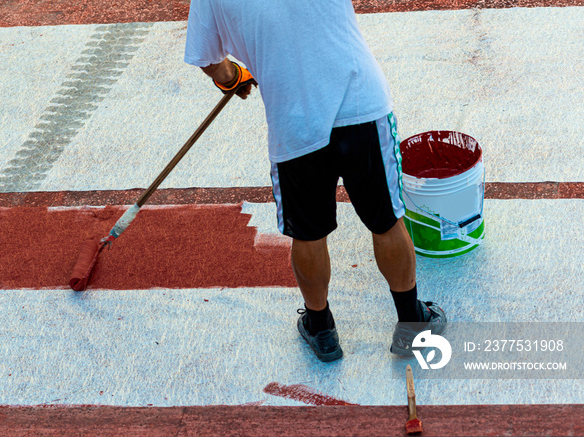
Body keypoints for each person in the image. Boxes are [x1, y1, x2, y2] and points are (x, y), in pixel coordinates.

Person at [184, 0, 446, 362]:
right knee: (386, 221)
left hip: (294, 125)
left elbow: (210, 60)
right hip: (361, 105)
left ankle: (321, 329)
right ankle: (412, 322)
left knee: (308, 234)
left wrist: (235, 76)